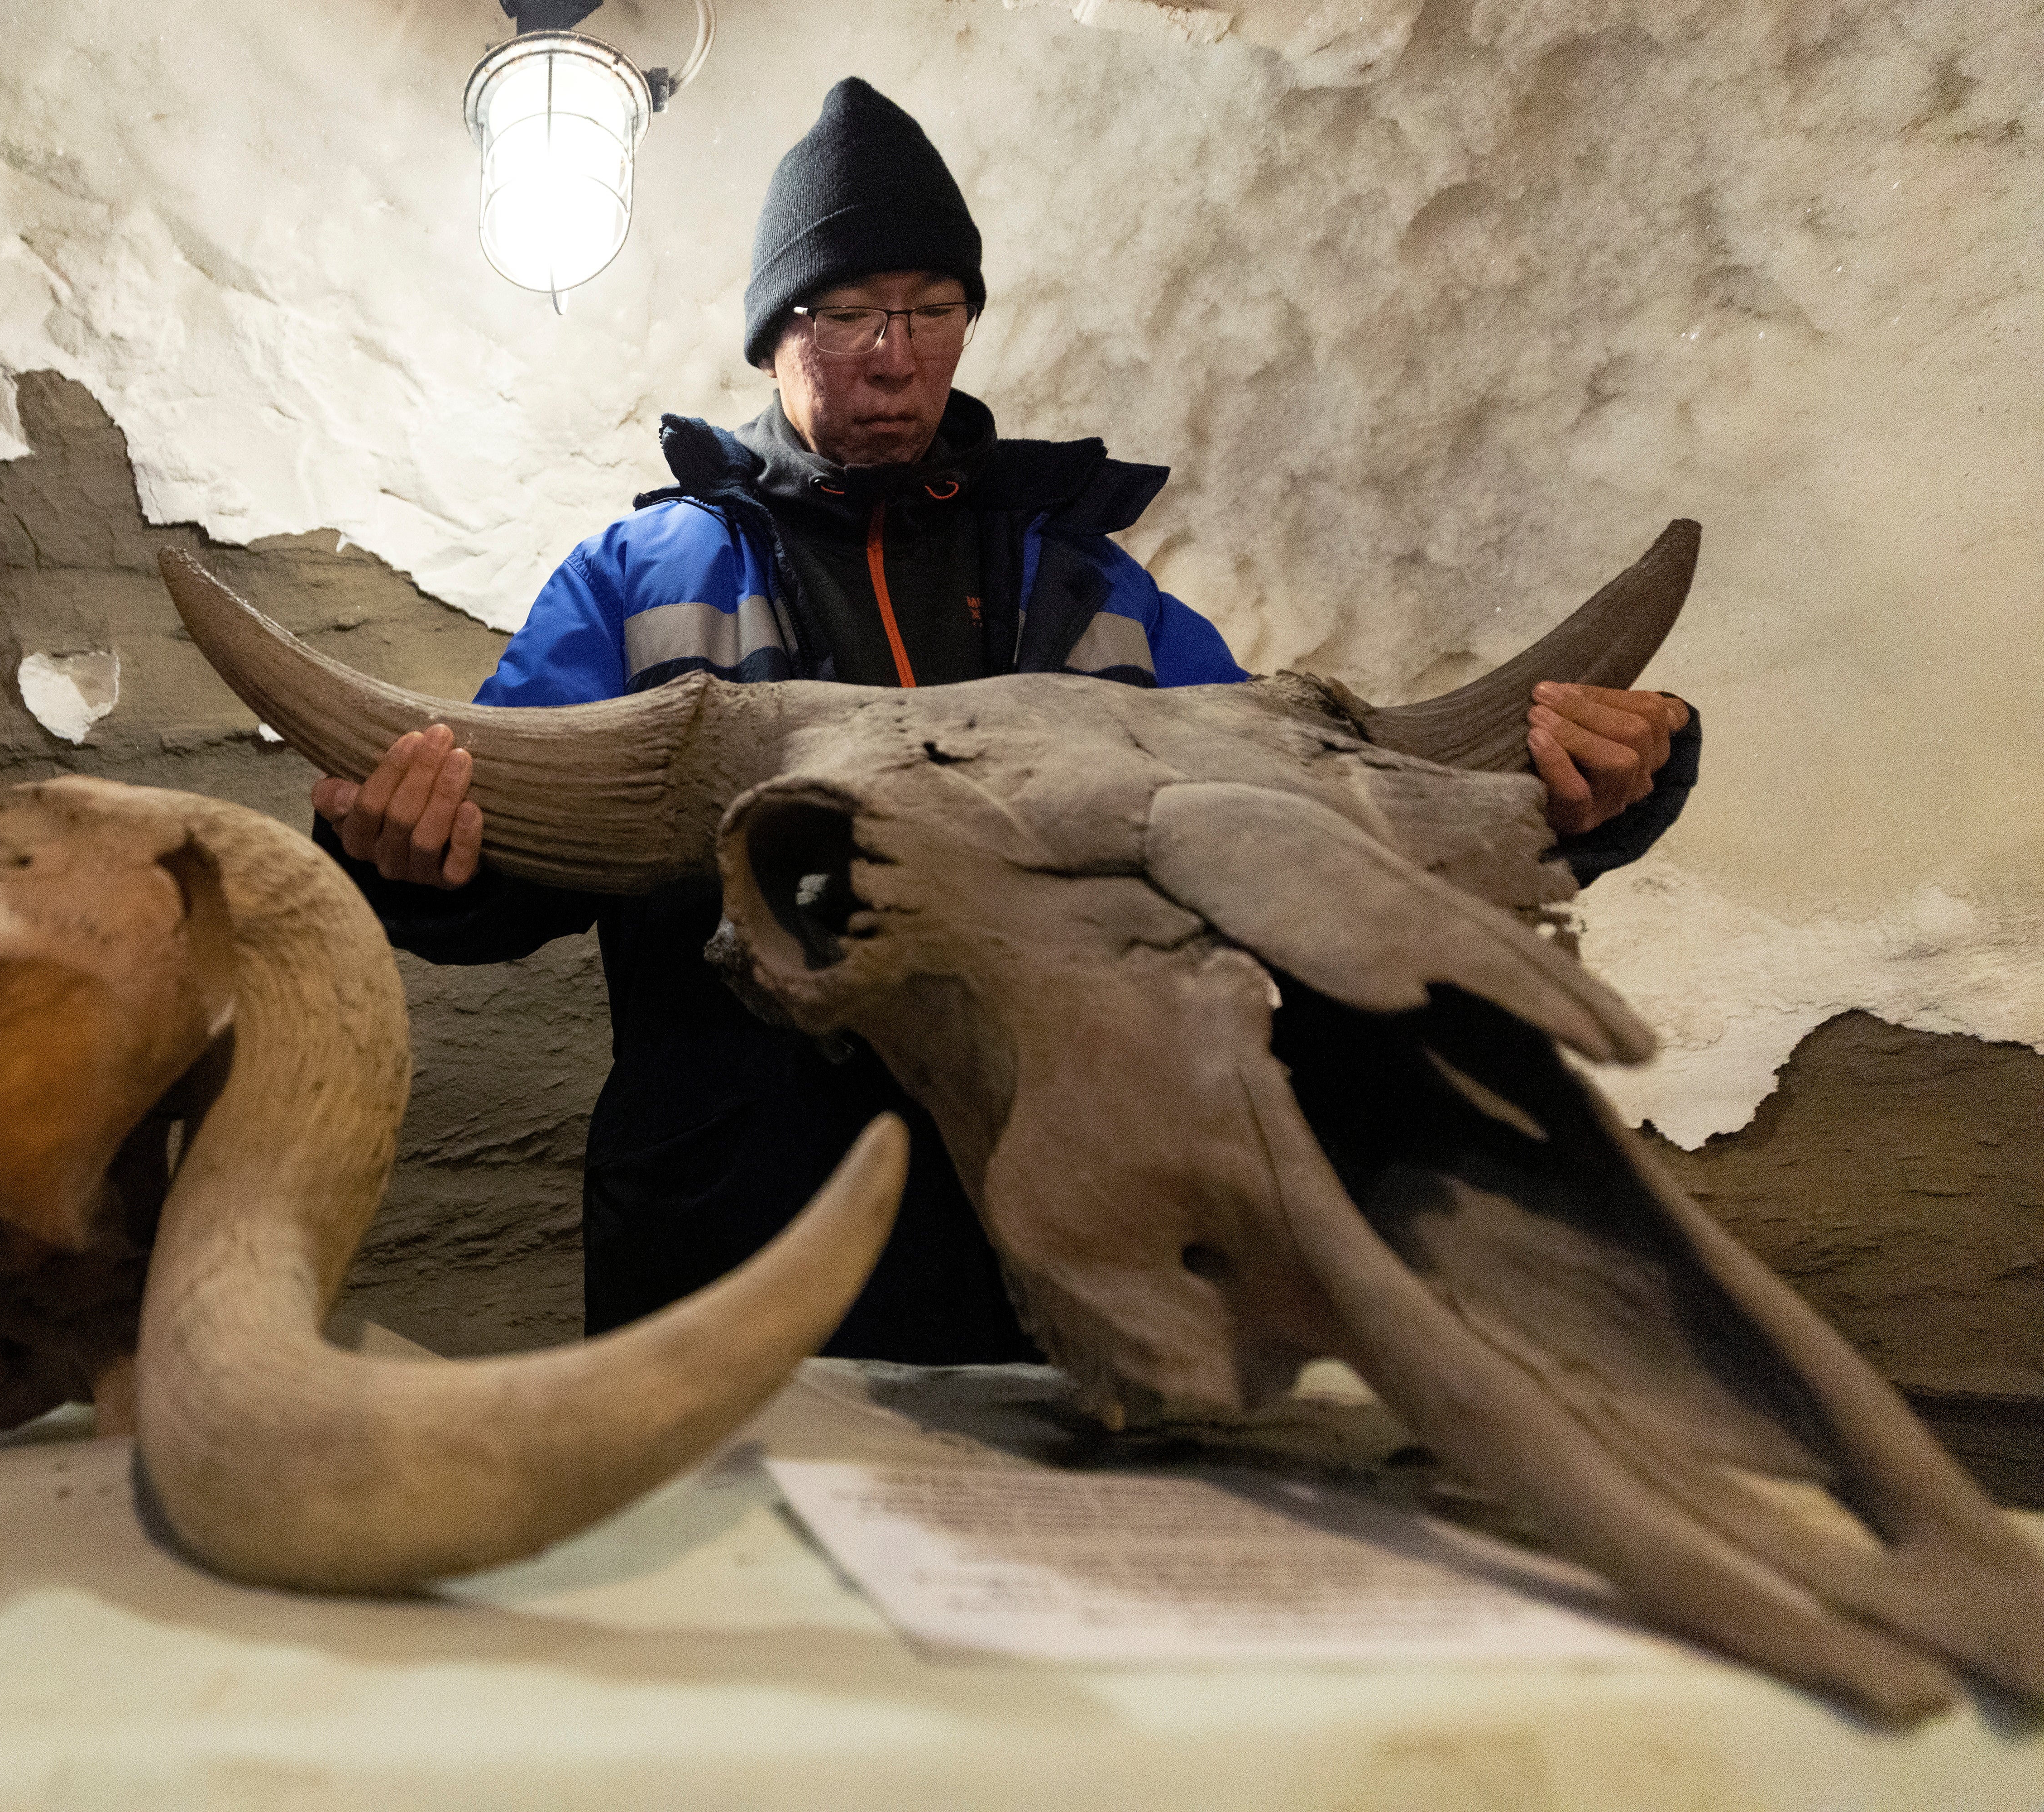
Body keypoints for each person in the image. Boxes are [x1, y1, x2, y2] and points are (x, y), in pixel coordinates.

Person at [310, 78, 1699, 1362]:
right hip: (729, 1256)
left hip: (1063, 1249)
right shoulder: (636, 579)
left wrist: (1584, 796)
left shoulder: (1089, 588)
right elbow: (492, 843)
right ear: (774, 334)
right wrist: (407, 855)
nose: (893, 356)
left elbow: (1311, 824)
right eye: (845, 313)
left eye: (930, 309)